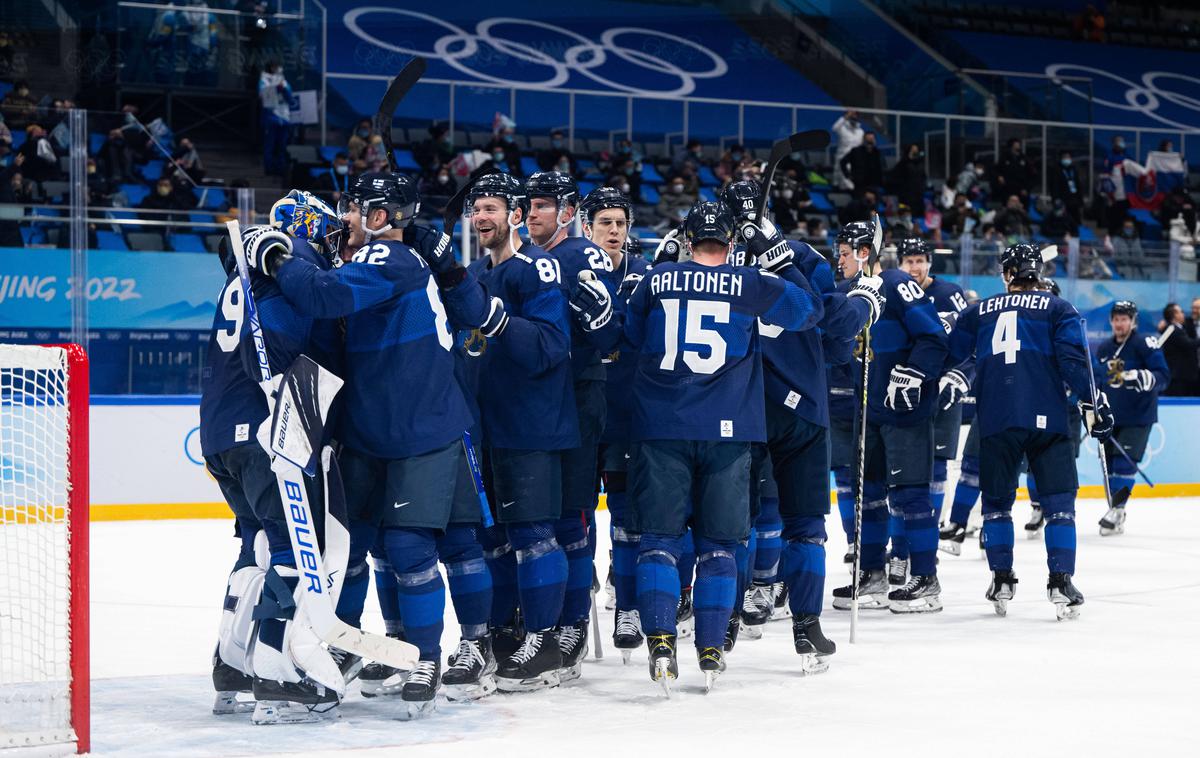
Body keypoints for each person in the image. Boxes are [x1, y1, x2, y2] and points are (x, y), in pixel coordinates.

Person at [245, 171, 494, 718]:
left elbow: (324, 295)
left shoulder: (392, 259)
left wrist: (275, 258)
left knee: (411, 548)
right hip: (372, 430)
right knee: (355, 547)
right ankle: (350, 641)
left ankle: (428, 655)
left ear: (381, 218)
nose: (344, 217)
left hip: (421, 430)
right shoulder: (372, 258)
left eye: (354, 208)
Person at [622, 199, 823, 692]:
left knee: (661, 542)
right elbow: (809, 311)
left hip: (663, 426)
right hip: (730, 432)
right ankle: (711, 647)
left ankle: (661, 640)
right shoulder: (749, 282)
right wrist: (775, 254)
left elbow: (628, 336)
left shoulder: (655, 279)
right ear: (732, 244)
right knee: (719, 546)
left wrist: (663, 267)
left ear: (687, 241)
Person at [722, 181, 883, 670]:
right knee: (806, 527)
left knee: (731, 526)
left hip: (733, 407)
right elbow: (832, 326)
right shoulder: (798, 253)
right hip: (801, 410)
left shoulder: (709, 260)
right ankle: (806, 628)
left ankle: (722, 621)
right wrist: (862, 305)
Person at [201, 205, 346, 723]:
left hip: (220, 430)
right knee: (288, 547)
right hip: (265, 431)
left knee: (254, 545)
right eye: (324, 228)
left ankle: (231, 663)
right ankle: (277, 676)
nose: (330, 241)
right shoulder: (292, 257)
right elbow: (278, 344)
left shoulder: (242, 271)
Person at [947, 243, 1113, 620]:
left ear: (1007, 275)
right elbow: (1074, 362)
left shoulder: (978, 312)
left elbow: (950, 353)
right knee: (1059, 507)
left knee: (996, 507)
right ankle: (1060, 582)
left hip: (996, 421)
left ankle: (1001, 579)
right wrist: (1092, 402)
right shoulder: (1059, 308)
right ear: (1038, 273)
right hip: (1048, 420)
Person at [462, 173, 579, 692]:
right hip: (482, 428)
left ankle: (546, 642)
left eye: (490, 207)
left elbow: (551, 347)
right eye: (475, 208)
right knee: (488, 541)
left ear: (513, 214)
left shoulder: (538, 268)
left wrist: (496, 320)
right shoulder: (469, 274)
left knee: (533, 537)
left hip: (532, 426)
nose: (480, 217)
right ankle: (503, 638)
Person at [522, 171, 621, 682]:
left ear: (566, 211)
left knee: (571, 515)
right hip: (532, 400)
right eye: (529, 205)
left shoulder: (582, 255)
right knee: (532, 516)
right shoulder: (521, 258)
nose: (532, 212)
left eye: (542, 205)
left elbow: (609, 334)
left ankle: (572, 624)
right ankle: (535, 617)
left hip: (578, 395)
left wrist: (601, 317)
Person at [830, 221, 950, 614]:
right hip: (872, 410)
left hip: (906, 410)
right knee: (871, 494)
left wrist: (915, 371)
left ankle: (927, 579)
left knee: (911, 494)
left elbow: (934, 336)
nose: (839, 259)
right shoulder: (851, 294)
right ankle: (872, 574)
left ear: (865, 252)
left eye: (845, 252)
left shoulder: (897, 283)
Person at [585, 187, 649, 660]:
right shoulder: (569, 271)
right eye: (604, 222)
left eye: (620, 224)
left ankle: (627, 605)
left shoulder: (645, 277)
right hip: (580, 412)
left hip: (628, 415)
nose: (613, 231)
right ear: (586, 227)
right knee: (576, 519)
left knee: (628, 520)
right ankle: (572, 609)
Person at [895, 237, 970, 582]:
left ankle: (926, 540)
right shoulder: (894, 291)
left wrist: (957, 375)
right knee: (902, 473)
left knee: (938, 469)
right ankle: (899, 547)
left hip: (943, 394)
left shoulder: (949, 294)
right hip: (907, 395)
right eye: (909, 261)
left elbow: (971, 343)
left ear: (929, 263)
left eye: (920, 261)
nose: (915, 267)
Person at [1092, 300, 1170, 535]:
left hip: (1138, 416)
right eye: (1116, 319)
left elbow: (1163, 376)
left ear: (1133, 321)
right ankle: (1116, 510)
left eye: (1124, 319)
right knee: (1110, 467)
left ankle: (1117, 509)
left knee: (1124, 465)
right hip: (1110, 416)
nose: (1119, 323)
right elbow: (1097, 380)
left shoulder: (1146, 343)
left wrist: (1143, 376)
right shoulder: (1105, 348)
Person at [258, 61, 292, 176]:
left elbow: (290, 99)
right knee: (270, 145)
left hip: (284, 118)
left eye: (279, 67)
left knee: (282, 146)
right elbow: (262, 96)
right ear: (270, 68)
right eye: (275, 67)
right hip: (271, 118)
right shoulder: (264, 81)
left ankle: (280, 169)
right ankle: (269, 169)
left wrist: (284, 89)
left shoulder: (285, 82)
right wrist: (275, 88)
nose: (277, 69)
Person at [1158, 303, 1199, 396]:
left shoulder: (1174, 328)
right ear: (1175, 315)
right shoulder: (1173, 330)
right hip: (1178, 376)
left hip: (1181, 375)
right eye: (1181, 312)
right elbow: (1189, 344)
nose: (1183, 314)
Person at [839, 131, 883, 197]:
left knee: (874, 203)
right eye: (868, 140)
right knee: (862, 202)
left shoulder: (877, 153)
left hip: (874, 184)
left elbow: (880, 167)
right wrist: (848, 175)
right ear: (864, 140)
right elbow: (843, 162)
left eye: (871, 140)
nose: (869, 143)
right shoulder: (856, 151)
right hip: (859, 184)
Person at [889, 143, 927, 214]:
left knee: (918, 215)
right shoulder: (903, 163)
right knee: (905, 214)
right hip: (905, 196)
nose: (915, 153)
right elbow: (895, 175)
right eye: (912, 151)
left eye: (916, 151)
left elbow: (923, 177)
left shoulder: (920, 164)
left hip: (918, 195)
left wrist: (923, 187)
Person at [1048, 150, 1084, 226]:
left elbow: (1078, 184)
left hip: (1074, 197)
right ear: (1061, 159)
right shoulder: (1056, 170)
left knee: (1076, 218)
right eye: (1065, 157)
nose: (1067, 159)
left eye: (1068, 157)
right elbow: (1054, 185)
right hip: (1063, 198)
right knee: (1063, 219)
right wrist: (1056, 198)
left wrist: (1080, 198)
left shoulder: (1073, 169)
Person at [831, 110, 864, 190]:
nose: (854, 118)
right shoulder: (842, 128)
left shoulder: (861, 132)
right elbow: (834, 128)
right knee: (838, 181)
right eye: (852, 116)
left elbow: (861, 145)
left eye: (856, 116)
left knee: (850, 181)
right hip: (842, 157)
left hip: (854, 160)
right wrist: (846, 116)